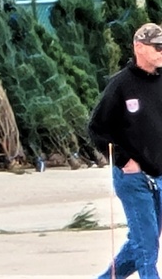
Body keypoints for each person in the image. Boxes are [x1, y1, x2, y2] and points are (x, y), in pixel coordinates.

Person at [89, 23, 162, 279]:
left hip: (159, 174)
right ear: (139, 47)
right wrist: (123, 160)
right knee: (147, 248)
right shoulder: (121, 85)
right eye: (158, 47)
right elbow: (97, 128)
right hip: (133, 178)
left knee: (143, 242)